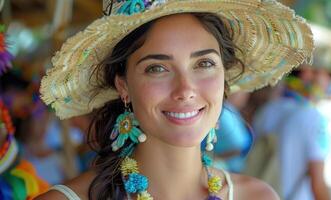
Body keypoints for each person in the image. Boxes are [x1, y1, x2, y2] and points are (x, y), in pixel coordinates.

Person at [36, 0, 313, 199]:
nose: (186, 89)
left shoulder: (258, 197)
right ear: (123, 85)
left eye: (204, 63)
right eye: (157, 68)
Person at [252, 70, 331, 200]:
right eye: (328, 74)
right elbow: (317, 183)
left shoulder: (266, 110)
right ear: (308, 75)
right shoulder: (313, 117)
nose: (328, 82)